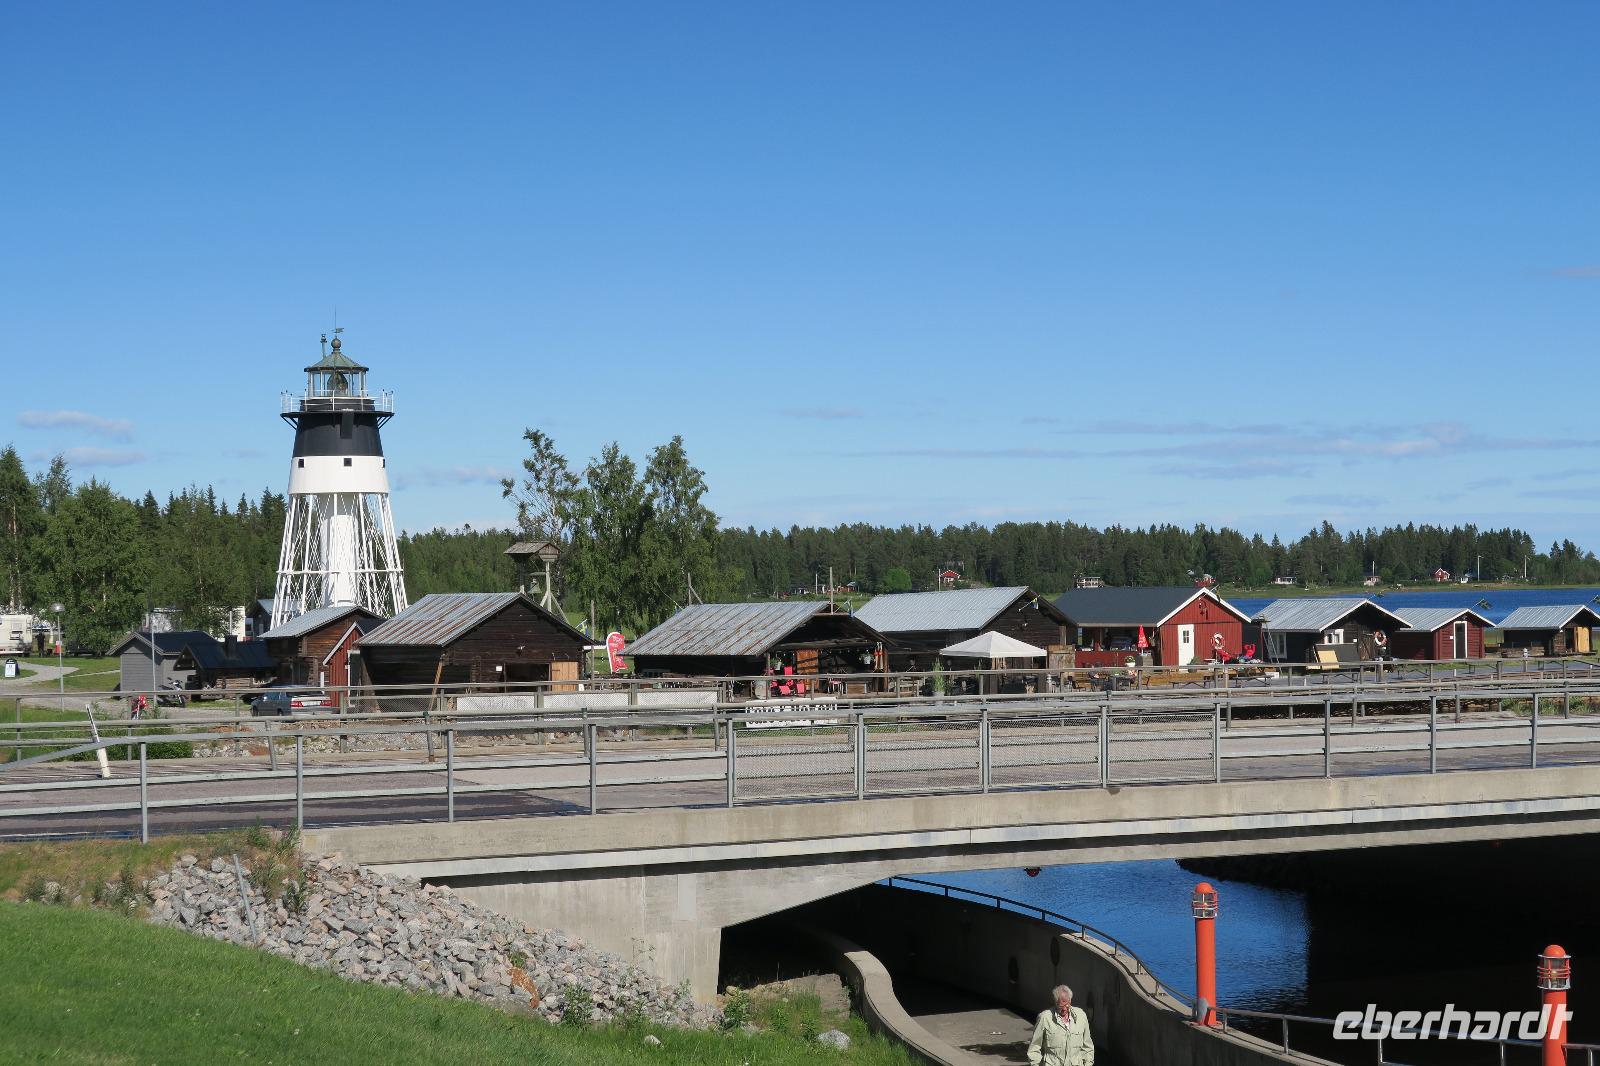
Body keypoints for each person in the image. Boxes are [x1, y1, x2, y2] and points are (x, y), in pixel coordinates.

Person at [1027, 984, 1094, 1066]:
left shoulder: (1081, 1016)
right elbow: (1034, 1047)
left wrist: (1088, 1064)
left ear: (1070, 1001)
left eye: (1067, 1005)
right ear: (1055, 1003)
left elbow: (1088, 1047)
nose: (1064, 1009)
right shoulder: (1045, 1018)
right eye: (1060, 1006)